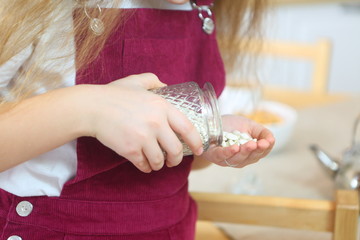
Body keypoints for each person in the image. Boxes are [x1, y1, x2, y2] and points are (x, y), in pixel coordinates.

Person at [0, 0, 274, 239]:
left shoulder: (199, 9)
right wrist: (87, 108)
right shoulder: (36, 8)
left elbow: (181, 162)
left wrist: (209, 133)